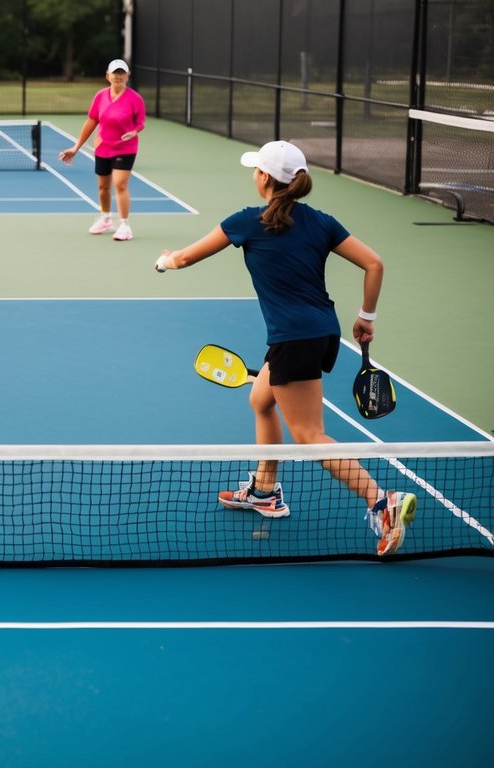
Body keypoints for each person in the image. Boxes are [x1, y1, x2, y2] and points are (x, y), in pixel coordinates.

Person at [154, 140, 416, 556]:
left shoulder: (247, 221)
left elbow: (185, 259)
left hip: (293, 339)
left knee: (310, 435)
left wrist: (164, 260)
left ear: (264, 178)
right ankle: (264, 490)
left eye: (255, 169)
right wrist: (366, 316)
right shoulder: (321, 222)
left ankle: (382, 502)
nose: (253, 175)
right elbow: (374, 263)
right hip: (321, 332)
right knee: (261, 399)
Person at [58, 58, 145, 241]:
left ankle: (124, 225)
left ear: (127, 76)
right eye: (115, 73)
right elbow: (92, 121)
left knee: (120, 185)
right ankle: (105, 218)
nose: (118, 76)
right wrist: (76, 147)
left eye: (122, 73)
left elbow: (140, 122)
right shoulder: (100, 96)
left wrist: (134, 131)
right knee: (103, 187)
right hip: (103, 147)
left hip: (126, 148)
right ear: (108, 76)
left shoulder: (135, 98)